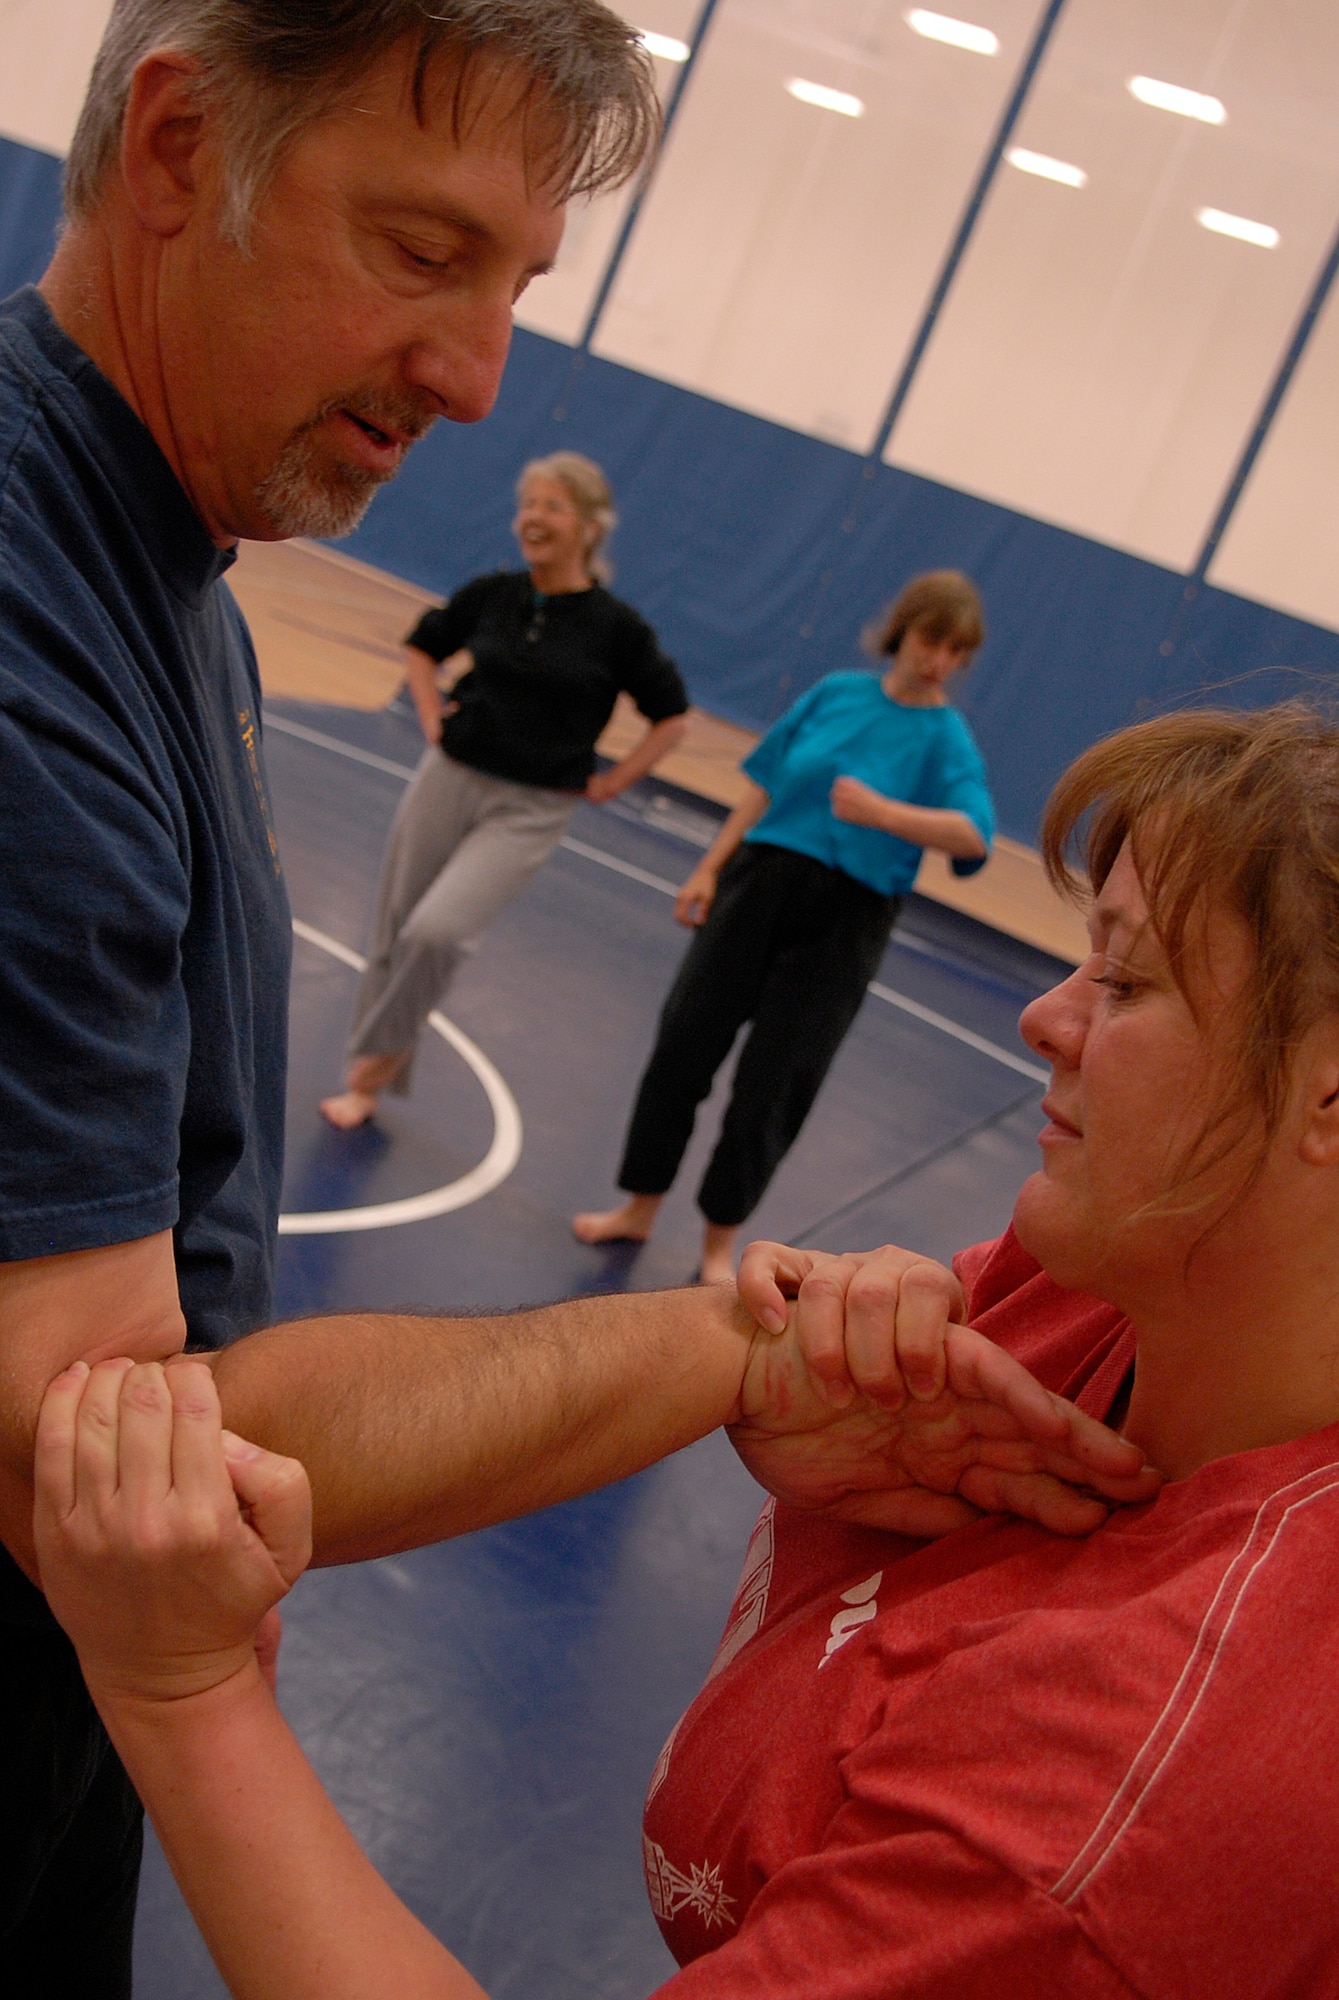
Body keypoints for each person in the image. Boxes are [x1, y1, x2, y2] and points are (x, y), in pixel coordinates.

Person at [0, 9, 1141, 1984]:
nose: (473, 376)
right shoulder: (32, 668)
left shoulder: (157, 549)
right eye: (424, 252)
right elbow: (100, 1465)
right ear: (175, 148)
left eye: (518, 281)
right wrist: (733, 1351)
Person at [42, 699, 1336, 1997]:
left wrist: (190, 1699)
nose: (1042, 1020)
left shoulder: (1118, 1805)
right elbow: (233, 1441)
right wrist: (738, 1347)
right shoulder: (1094, 1294)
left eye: (1122, 980)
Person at [575, 570, 995, 1284]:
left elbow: (972, 834)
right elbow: (765, 784)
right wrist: (710, 866)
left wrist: (887, 816)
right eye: (930, 638)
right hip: (759, 883)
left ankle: (718, 1240)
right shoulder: (836, 693)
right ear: (903, 632)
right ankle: (639, 1204)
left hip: (847, 918)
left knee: (777, 1081)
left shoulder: (944, 739)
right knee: (684, 1040)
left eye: (955, 650)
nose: (937, 659)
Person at [320, 451, 689, 1130]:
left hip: (531, 807)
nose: (533, 518)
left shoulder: (616, 628)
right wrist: (431, 716)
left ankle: (372, 1063)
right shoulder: (494, 593)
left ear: (587, 527)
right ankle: (368, 1087)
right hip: (449, 778)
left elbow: (671, 714)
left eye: (551, 506)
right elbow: (423, 642)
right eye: (527, 505)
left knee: (437, 932)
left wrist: (615, 780)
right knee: (394, 928)